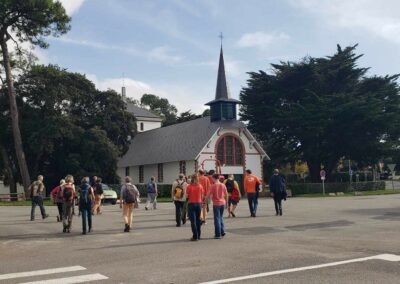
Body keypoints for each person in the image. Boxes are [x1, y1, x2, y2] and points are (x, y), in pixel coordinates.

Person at [208, 173, 228, 239]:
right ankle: (222, 231)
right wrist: (227, 203)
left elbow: (209, 195)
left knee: (217, 219)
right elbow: (226, 194)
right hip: (222, 203)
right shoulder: (223, 185)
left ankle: (218, 234)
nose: (212, 179)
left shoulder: (212, 186)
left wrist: (205, 202)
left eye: (212, 178)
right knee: (221, 217)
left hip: (216, 204)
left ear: (214, 178)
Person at [186, 173, 205, 241]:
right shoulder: (200, 186)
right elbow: (202, 195)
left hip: (191, 204)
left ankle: (195, 236)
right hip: (199, 204)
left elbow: (187, 196)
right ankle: (199, 235)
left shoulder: (189, 186)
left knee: (193, 221)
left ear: (192, 179)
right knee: (198, 220)